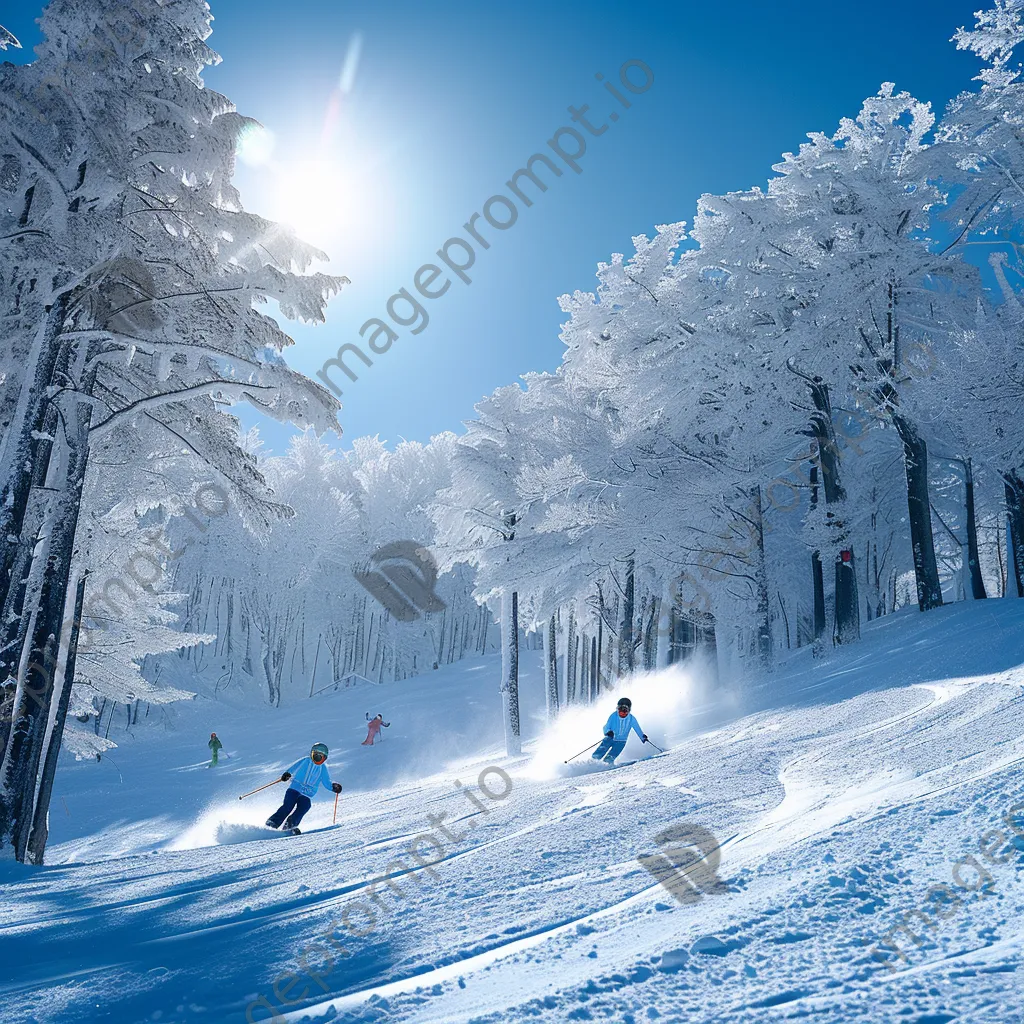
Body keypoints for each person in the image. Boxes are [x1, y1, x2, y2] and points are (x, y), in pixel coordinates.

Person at [265, 742, 342, 832]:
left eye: (320, 757)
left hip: (306, 794)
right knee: (288, 806)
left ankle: (290, 825)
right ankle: (272, 823)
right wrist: (288, 773)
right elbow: (294, 767)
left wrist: (333, 787)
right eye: (315, 755)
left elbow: (326, 781)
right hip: (294, 789)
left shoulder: (323, 768)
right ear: (311, 754)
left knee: (305, 806)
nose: (317, 759)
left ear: (324, 758)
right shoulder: (306, 761)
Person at [591, 697, 648, 764]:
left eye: (625, 712)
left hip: (621, 742)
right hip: (610, 738)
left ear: (629, 710)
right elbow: (606, 727)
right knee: (600, 752)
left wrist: (642, 737)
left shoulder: (631, 719)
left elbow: (637, 729)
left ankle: (606, 764)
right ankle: (592, 763)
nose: (622, 714)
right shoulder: (613, 716)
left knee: (611, 756)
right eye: (620, 711)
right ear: (617, 709)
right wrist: (608, 732)